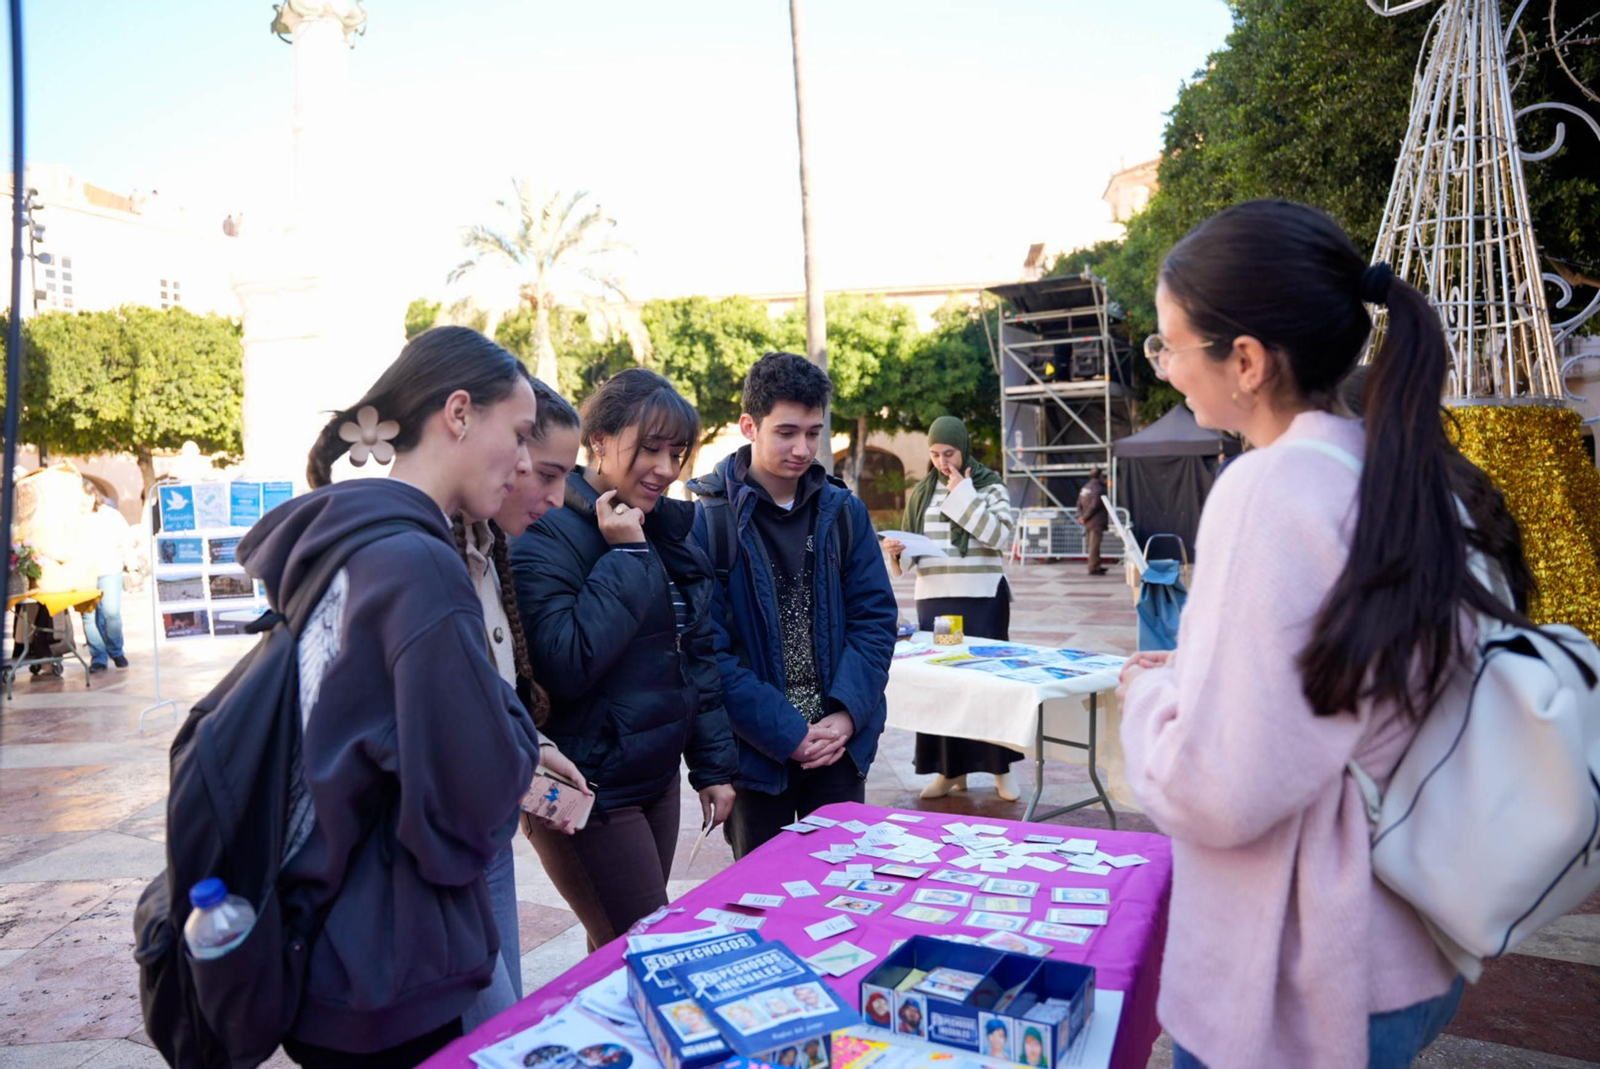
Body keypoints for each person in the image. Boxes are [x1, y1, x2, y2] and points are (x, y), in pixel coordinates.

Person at [1117, 201, 1532, 1069]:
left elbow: (1218, 789)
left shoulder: (1269, 490)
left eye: (1170, 346)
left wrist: (1151, 696)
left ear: (1247, 361)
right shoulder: (1397, 465)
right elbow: (1342, 691)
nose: (1167, 372)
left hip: (1302, 972)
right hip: (1409, 938)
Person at [237, 326, 545, 1066]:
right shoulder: (417, 564)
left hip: (323, 945)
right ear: (460, 412)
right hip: (388, 964)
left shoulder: (342, 537)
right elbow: (471, 804)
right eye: (522, 433)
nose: (528, 463)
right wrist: (516, 730)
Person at [512, 367, 738, 950]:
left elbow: (694, 656)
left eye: (677, 452)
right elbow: (565, 663)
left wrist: (711, 766)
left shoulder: (664, 526)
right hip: (587, 785)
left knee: (615, 944)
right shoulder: (545, 528)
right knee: (642, 944)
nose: (665, 468)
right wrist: (628, 555)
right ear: (600, 441)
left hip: (656, 777)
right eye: (650, 449)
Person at [686, 352, 897, 858]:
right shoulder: (709, 523)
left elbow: (875, 621)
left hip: (838, 749)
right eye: (786, 432)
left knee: (845, 893)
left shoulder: (844, 512)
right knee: (763, 900)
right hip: (758, 757)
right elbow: (707, 652)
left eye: (813, 432)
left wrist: (846, 716)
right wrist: (787, 734)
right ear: (748, 426)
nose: (803, 448)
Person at [450, 375, 588, 1032]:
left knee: (502, 1025)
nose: (556, 497)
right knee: (487, 1027)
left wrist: (535, 747)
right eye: (545, 471)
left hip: (489, 828)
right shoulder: (416, 552)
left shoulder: (487, 543)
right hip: (442, 849)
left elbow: (491, 695)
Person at [883, 416, 1021, 802]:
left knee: (988, 683)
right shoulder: (924, 491)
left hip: (982, 599)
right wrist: (898, 552)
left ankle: (1000, 769)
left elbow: (997, 536)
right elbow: (912, 557)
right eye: (935, 454)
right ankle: (949, 770)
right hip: (940, 602)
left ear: (964, 448)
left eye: (949, 453)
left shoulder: (990, 486)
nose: (942, 462)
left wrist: (963, 493)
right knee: (947, 684)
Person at [80, 483, 132, 671]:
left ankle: (116, 651)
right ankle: (98, 657)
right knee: (89, 617)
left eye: (84, 498)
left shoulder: (110, 515)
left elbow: (125, 539)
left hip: (109, 569)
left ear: (93, 495)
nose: (81, 503)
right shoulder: (73, 518)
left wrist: (131, 564)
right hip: (83, 573)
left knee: (112, 613)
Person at [1075, 467, 1109, 575]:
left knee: (1093, 545)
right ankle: (1093, 567)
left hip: (1088, 522)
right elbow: (1095, 505)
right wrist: (1085, 517)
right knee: (1095, 545)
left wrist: (1081, 516)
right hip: (1096, 522)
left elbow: (1079, 504)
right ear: (1099, 476)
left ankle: (1096, 564)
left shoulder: (1085, 488)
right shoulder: (1099, 488)